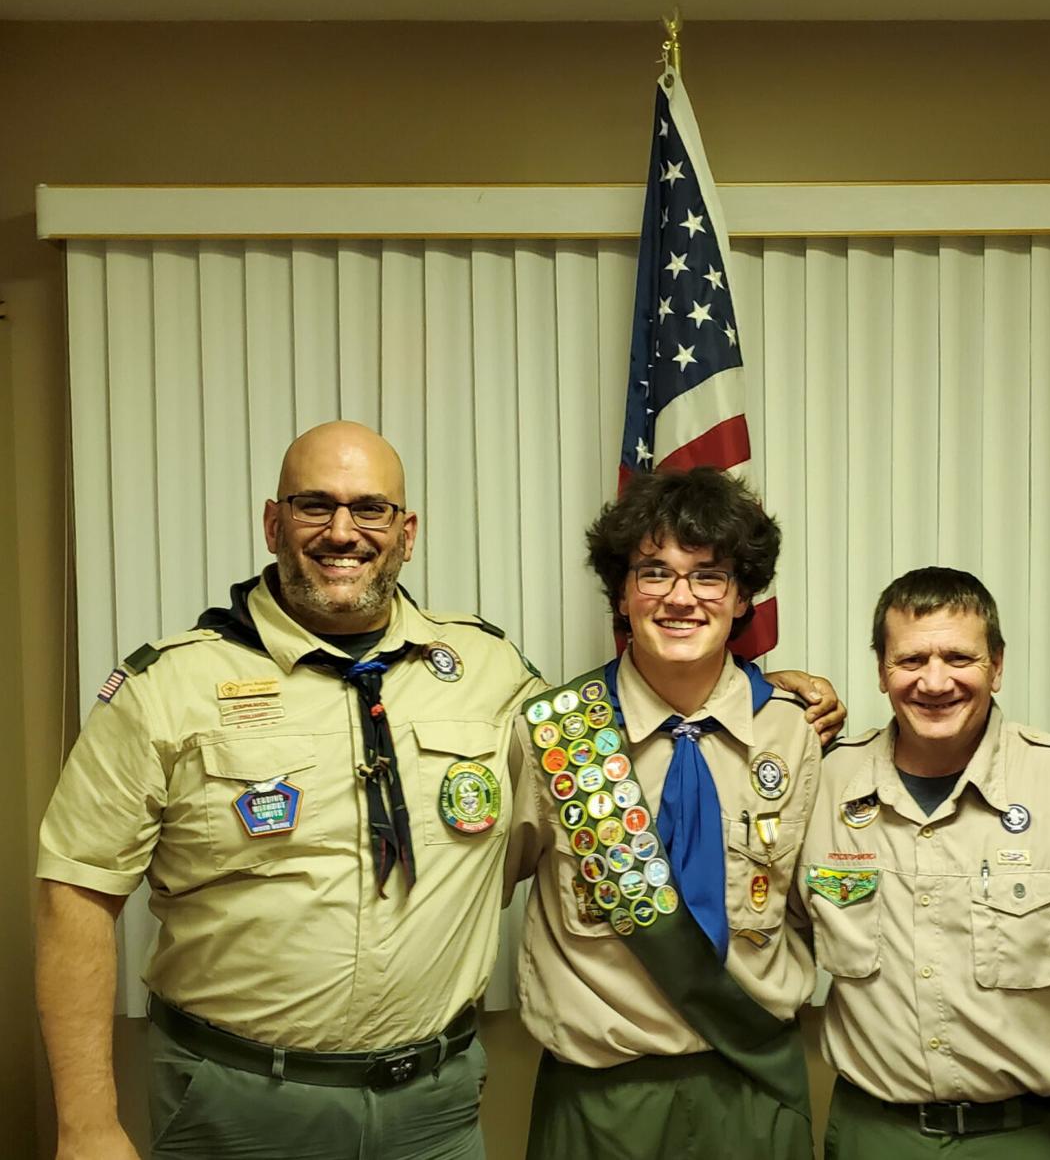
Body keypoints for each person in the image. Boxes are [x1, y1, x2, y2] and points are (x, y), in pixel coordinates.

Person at [35, 422, 844, 1160]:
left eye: (370, 509)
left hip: (431, 1106)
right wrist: (87, 1124)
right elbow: (74, 892)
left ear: (407, 532)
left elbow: (655, 727)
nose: (343, 531)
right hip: (239, 1096)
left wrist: (763, 692)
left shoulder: (489, 673)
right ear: (273, 522)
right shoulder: (169, 684)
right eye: (315, 506)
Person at [799, 566, 1050, 1160]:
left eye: (958, 657)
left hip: (1032, 1138)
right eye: (910, 660)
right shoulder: (826, 783)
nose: (934, 681)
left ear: (996, 666)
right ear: (880, 670)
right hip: (875, 1136)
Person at [507, 467, 823, 1160]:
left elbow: (823, 908)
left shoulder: (792, 733)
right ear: (621, 591)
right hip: (601, 1099)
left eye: (708, 575)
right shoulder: (555, 733)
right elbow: (472, 892)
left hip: (754, 1084)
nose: (681, 598)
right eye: (654, 572)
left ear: (742, 596)